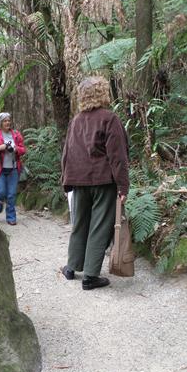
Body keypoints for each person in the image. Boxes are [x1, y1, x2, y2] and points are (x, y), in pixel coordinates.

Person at [61, 76, 129, 290]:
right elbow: (118, 156)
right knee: (99, 226)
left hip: (78, 180)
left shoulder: (76, 121)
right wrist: (122, 186)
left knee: (80, 223)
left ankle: (72, 267)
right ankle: (91, 275)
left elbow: (67, 153)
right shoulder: (109, 119)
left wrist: (66, 182)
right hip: (102, 180)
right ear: (103, 94)